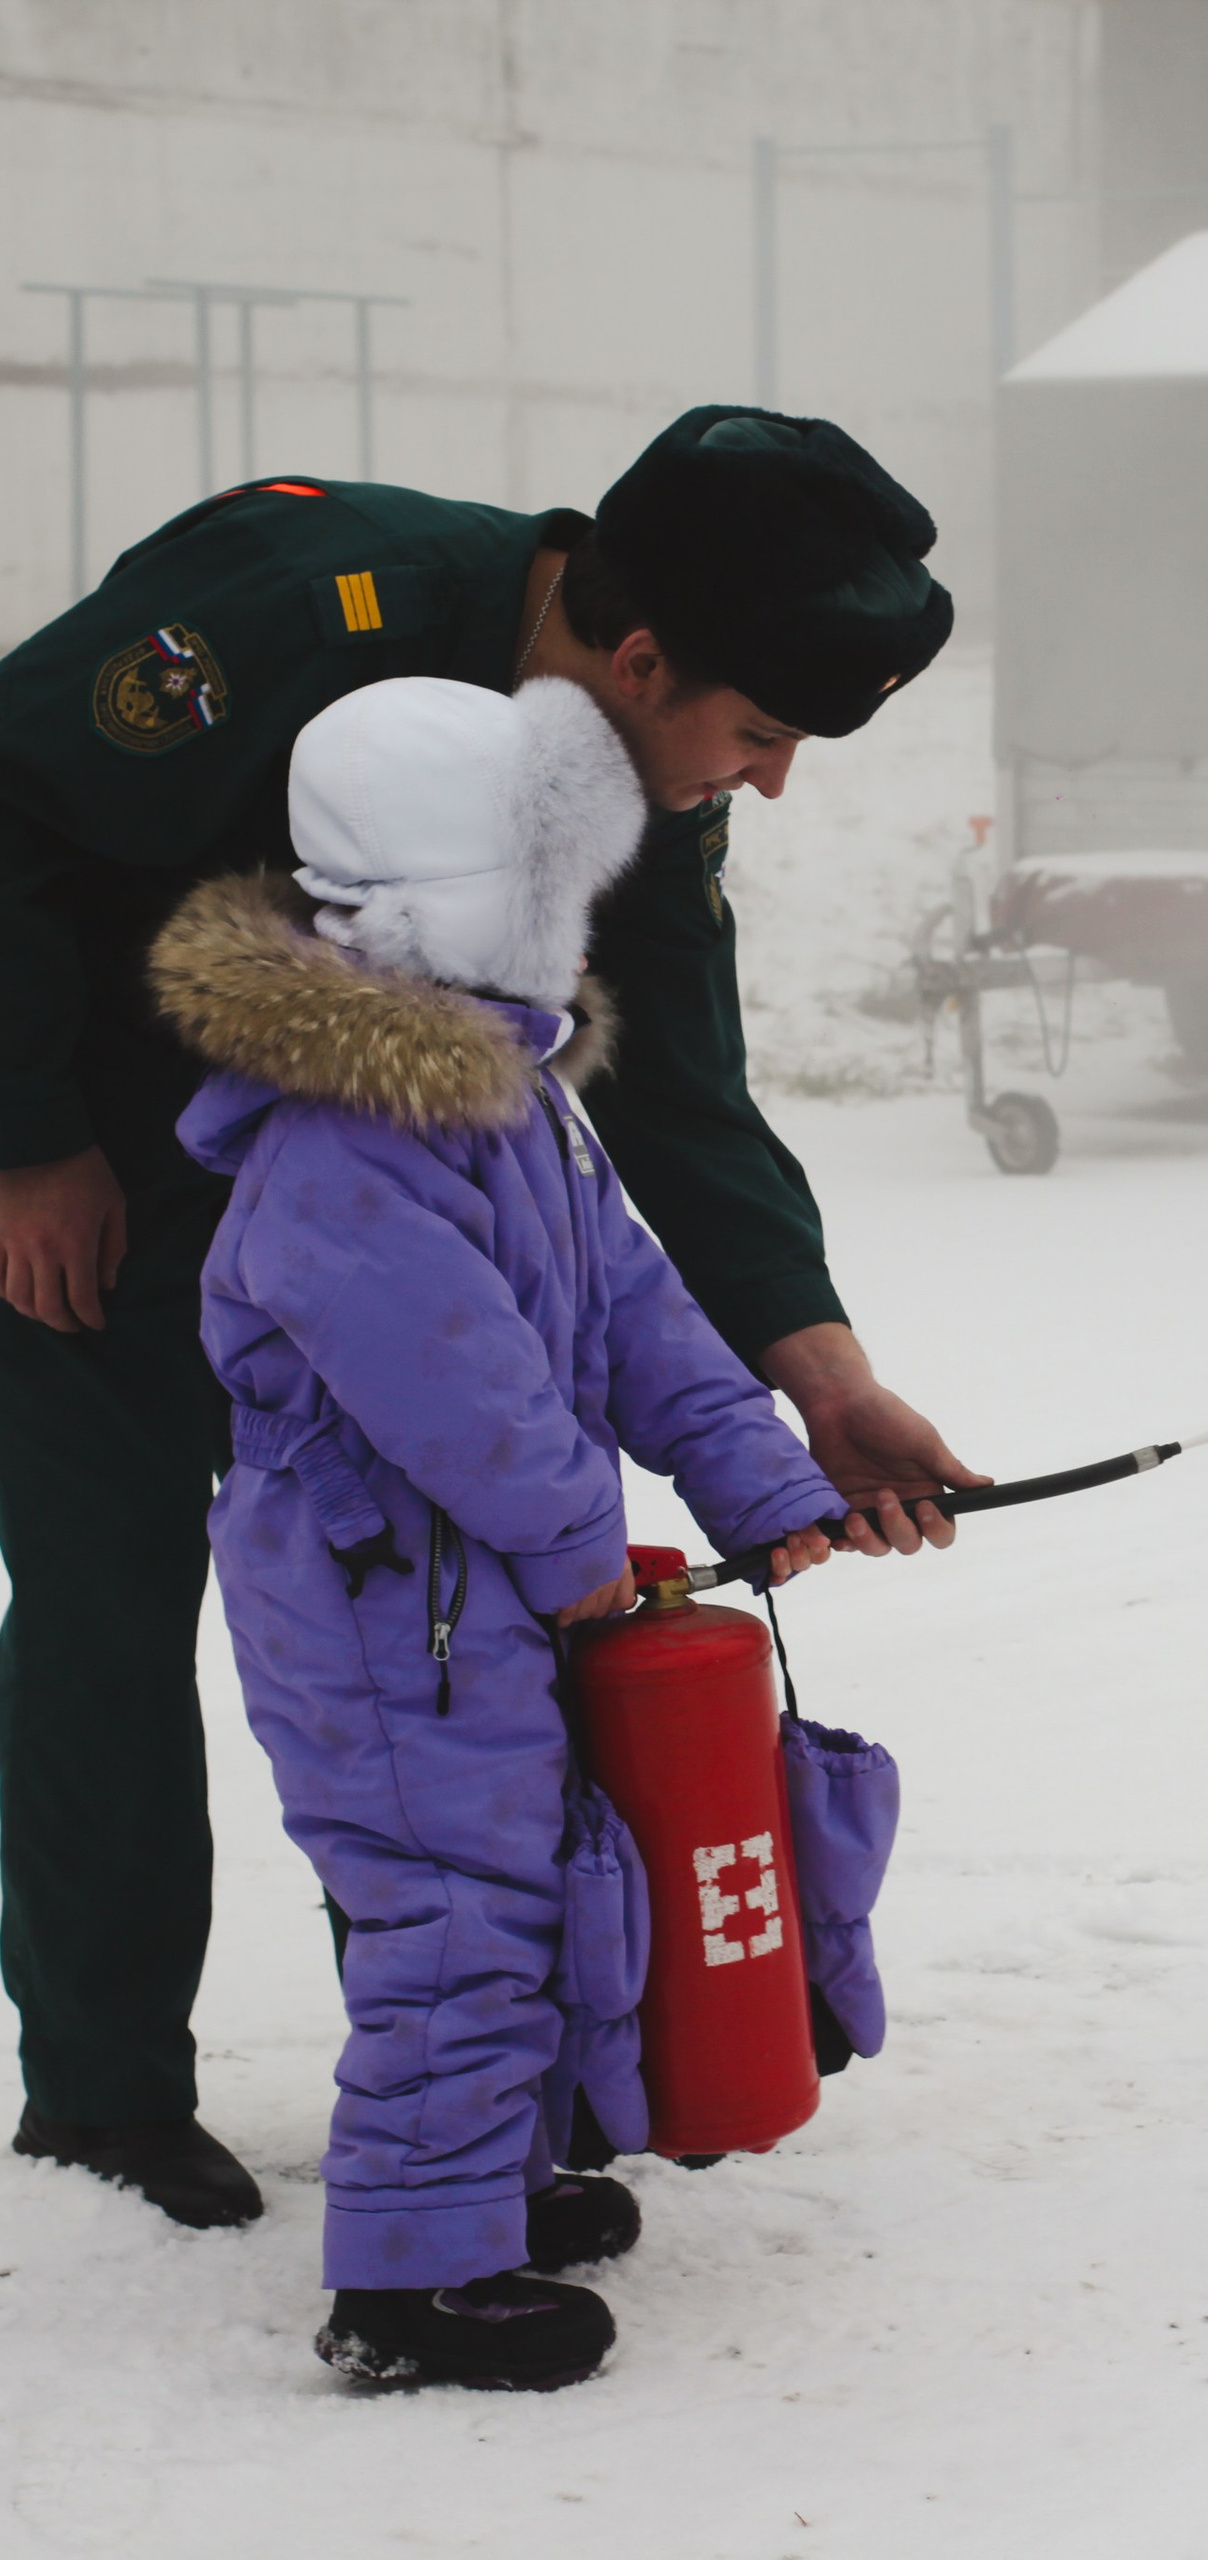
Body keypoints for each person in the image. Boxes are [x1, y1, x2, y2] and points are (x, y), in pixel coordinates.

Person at [0, 407, 983, 2229]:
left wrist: (814, 1373)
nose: (765, 782)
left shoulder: (620, 770)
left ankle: (463, 2100)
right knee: (105, 1610)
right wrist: (29, 1141)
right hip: (103, 1162)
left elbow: (676, 1085)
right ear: (633, 661)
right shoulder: (303, 605)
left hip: (420, 1192)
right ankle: (106, 2096)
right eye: (757, 735)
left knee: (425, 1665)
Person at [157, 671, 848, 2390]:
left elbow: (630, 1309)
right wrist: (572, 1546)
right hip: (383, 1603)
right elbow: (453, 1382)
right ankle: (407, 2286)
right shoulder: (340, 1144)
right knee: (455, 1910)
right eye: (539, 880)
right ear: (441, 894)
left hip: (479, 1597)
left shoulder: (515, 1096)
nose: (570, 915)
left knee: (536, 1879)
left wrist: (759, 1481)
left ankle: (491, 2189)